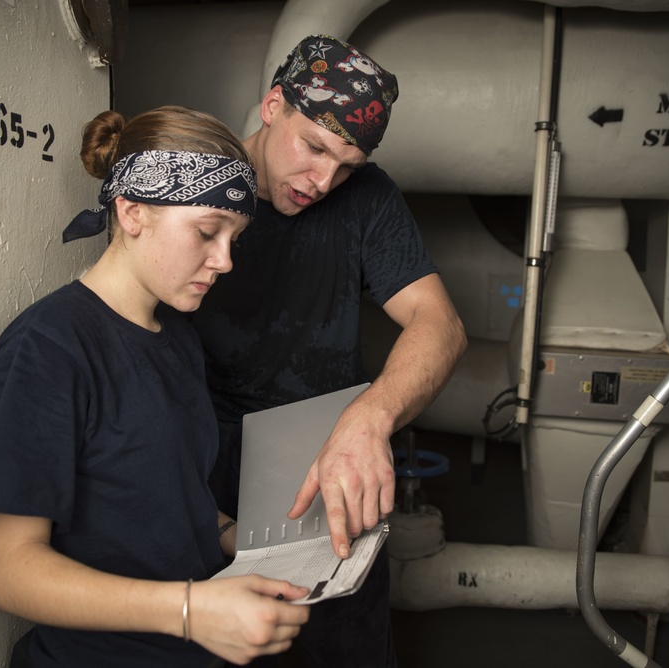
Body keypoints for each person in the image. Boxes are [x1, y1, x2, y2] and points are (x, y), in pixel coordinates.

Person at [0, 105, 311, 668]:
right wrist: (192, 609)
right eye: (206, 232)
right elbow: (8, 572)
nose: (223, 261)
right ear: (131, 212)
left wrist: (250, 541)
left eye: (234, 239)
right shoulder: (49, 348)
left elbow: (177, 499)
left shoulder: (177, 335)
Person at [189, 35, 467, 667]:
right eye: (313, 147)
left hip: (327, 462)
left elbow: (439, 324)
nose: (324, 181)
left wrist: (370, 418)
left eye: (347, 164)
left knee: (341, 646)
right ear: (271, 105)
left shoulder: (368, 198)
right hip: (200, 458)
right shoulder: (197, 184)